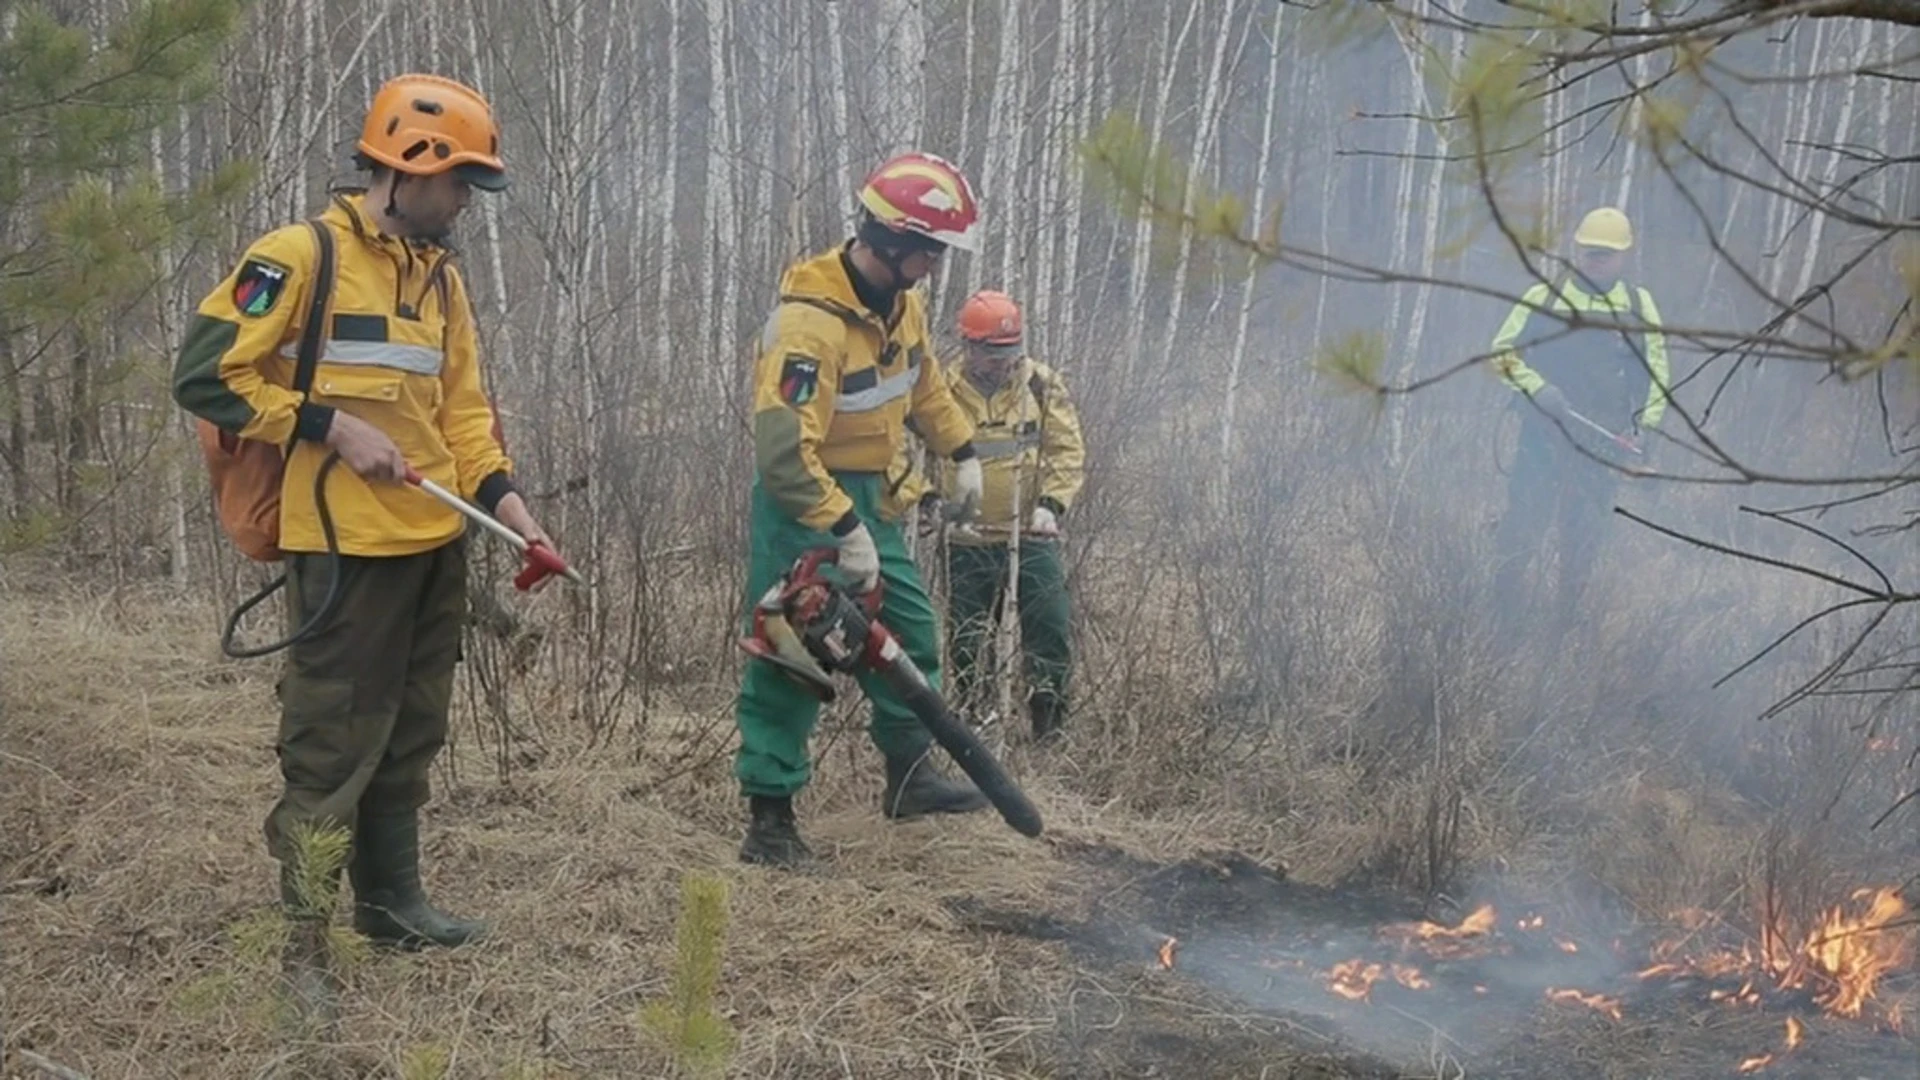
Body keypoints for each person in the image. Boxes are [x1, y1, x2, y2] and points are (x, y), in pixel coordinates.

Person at [171, 73, 548, 948]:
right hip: (342, 551)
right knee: (330, 746)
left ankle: (392, 910)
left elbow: (463, 418)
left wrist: (515, 509)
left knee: (410, 734)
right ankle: (304, 947)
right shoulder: (300, 258)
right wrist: (330, 426)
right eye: (460, 181)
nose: (465, 202)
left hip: (435, 541)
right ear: (410, 166)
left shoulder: (443, 284)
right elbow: (203, 377)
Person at [735, 151, 991, 868]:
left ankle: (911, 780)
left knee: (909, 633)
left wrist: (961, 452)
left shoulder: (899, 306)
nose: (936, 265)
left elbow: (925, 389)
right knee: (790, 658)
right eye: (929, 250)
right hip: (805, 508)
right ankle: (771, 820)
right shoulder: (807, 328)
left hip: (872, 501)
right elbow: (784, 457)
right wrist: (843, 529)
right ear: (890, 240)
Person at [1486, 205, 1671, 632]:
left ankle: (1563, 632)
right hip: (1542, 436)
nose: (1596, 259)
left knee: (1584, 540)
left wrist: (1648, 425)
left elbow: (1656, 373)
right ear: (1577, 250)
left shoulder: (1639, 307)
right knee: (1522, 529)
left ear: (1625, 255)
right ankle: (1500, 626)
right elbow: (1502, 351)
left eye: (1606, 252)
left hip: (1603, 444)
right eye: (1590, 251)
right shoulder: (1544, 297)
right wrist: (1538, 389)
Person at [932, 290, 1086, 743]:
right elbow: (909, 448)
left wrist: (1050, 505)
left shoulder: (1041, 385)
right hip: (966, 542)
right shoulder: (941, 390)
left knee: (1050, 627)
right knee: (967, 639)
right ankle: (975, 722)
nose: (1001, 363)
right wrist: (928, 504)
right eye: (991, 354)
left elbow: (1066, 451)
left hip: (1031, 537)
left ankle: (1049, 726)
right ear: (969, 347)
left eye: (1008, 353)